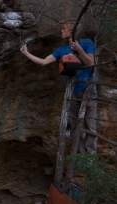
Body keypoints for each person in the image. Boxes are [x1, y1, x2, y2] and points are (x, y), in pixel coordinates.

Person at [21, 20, 97, 154]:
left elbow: (91, 63)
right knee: (74, 125)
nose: (61, 31)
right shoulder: (62, 50)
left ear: (72, 30)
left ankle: (90, 156)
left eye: (64, 28)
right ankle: (80, 156)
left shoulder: (86, 42)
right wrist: (26, 53)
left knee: (90, 125)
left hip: (88, 88)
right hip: (72, 91)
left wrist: (79, 49)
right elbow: (44, 62)